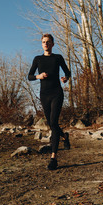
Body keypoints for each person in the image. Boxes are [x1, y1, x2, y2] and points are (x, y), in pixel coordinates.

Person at [28, 33, 71, 170]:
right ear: (42, 44)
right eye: (43, 42)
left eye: (48, 42)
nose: (46, 44)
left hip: (56, 93)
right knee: (52, 124)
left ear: (52, 44)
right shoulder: (37, 59)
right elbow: (29, 76)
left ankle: (53, 158)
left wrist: (65, 78)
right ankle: (64, 135)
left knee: (53, 123)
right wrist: (38, 76)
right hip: (44, 94)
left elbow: (67, 72)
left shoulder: (57, 58)